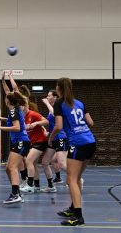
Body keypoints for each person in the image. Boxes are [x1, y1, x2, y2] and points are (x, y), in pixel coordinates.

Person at [48, 77, 96, 226]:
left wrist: (51, 138)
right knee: (76, 178)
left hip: (77, 144)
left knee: (71, 180)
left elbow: (58, 126)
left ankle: (78, 217)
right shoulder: (79, 103)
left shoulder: (59, 103)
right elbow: (91, 123)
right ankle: (73, 208)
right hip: (90, 142)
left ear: (59, 88)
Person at [0, 74, 30, 205]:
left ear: (8, 101)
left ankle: (15, 194)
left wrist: (0, 127)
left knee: (12, 167)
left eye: (6, 97)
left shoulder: (14, 111)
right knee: (8, 168)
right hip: (19, 141)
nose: (5, 97)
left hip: (21, 140)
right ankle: (17, 192)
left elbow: (17, 128)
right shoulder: (15, 108)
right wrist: (3, 80)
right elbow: (9, 91)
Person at [42, 90, 69, 184]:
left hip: (61, 137)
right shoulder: (51, 109)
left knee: (61, 163)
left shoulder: (58, 107)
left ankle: (76, 178)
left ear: (55, 97)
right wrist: (48, 133)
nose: (47, 97)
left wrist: (46, 103)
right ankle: (51, 185)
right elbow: (53, 123)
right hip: (53, 138)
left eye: (49, 96)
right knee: (46, 161)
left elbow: (55, 114)